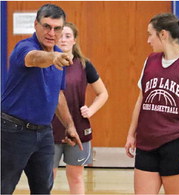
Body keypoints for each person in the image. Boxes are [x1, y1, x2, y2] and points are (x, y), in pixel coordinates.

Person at [1, 4, 82, 194]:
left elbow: (58, 95)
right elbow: (34, 58)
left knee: (43, 188)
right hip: (13, 131)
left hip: (44, 133)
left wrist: (70, 126)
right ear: (36, 25)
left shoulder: (59, 57)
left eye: (57, 28)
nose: (51, 33)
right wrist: (53, 57)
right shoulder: (24, 48)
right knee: (3, 187)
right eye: (46, 26)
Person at [125, 13, 179, 194]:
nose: (147, 40)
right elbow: (141, 99)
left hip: (177, 143)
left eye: (150, 34)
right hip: (146, 142)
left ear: (163, 34)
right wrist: (131, 134)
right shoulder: (150, 61)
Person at [52, 22, 108, 194]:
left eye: (68, 36)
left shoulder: (84, 65)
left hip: (78, 128)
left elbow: (103, 93)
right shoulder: (46, 63)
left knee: (76, 177)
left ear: (74, 40)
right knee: (46, 177)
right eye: (60, 35)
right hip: (49, 130)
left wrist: (90, 110)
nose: (63, 39)